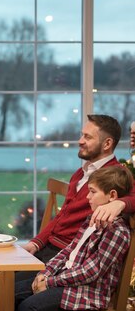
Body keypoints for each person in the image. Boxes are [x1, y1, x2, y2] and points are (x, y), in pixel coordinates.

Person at [15, 165, 133, 311]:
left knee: (28, 310)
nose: (87, 197)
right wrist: (45, 271)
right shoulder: (92, 219)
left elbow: (93, 271)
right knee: (12, 294)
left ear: (112, 196)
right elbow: (68, 250)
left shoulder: (118, 231)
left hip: (88, 292)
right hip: (67, 280)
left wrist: (52, 281)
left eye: (92, 192)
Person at [22, 115, 135, 268]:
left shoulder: (116, 175)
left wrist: (120, 203)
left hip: (69, 256)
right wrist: (36, 242)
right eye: (82, 135)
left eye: (87, 137)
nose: (80, 141)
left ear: (107, 143)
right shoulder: (80, 172)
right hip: (49, 247)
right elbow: (63, 215)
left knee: (9, 286)